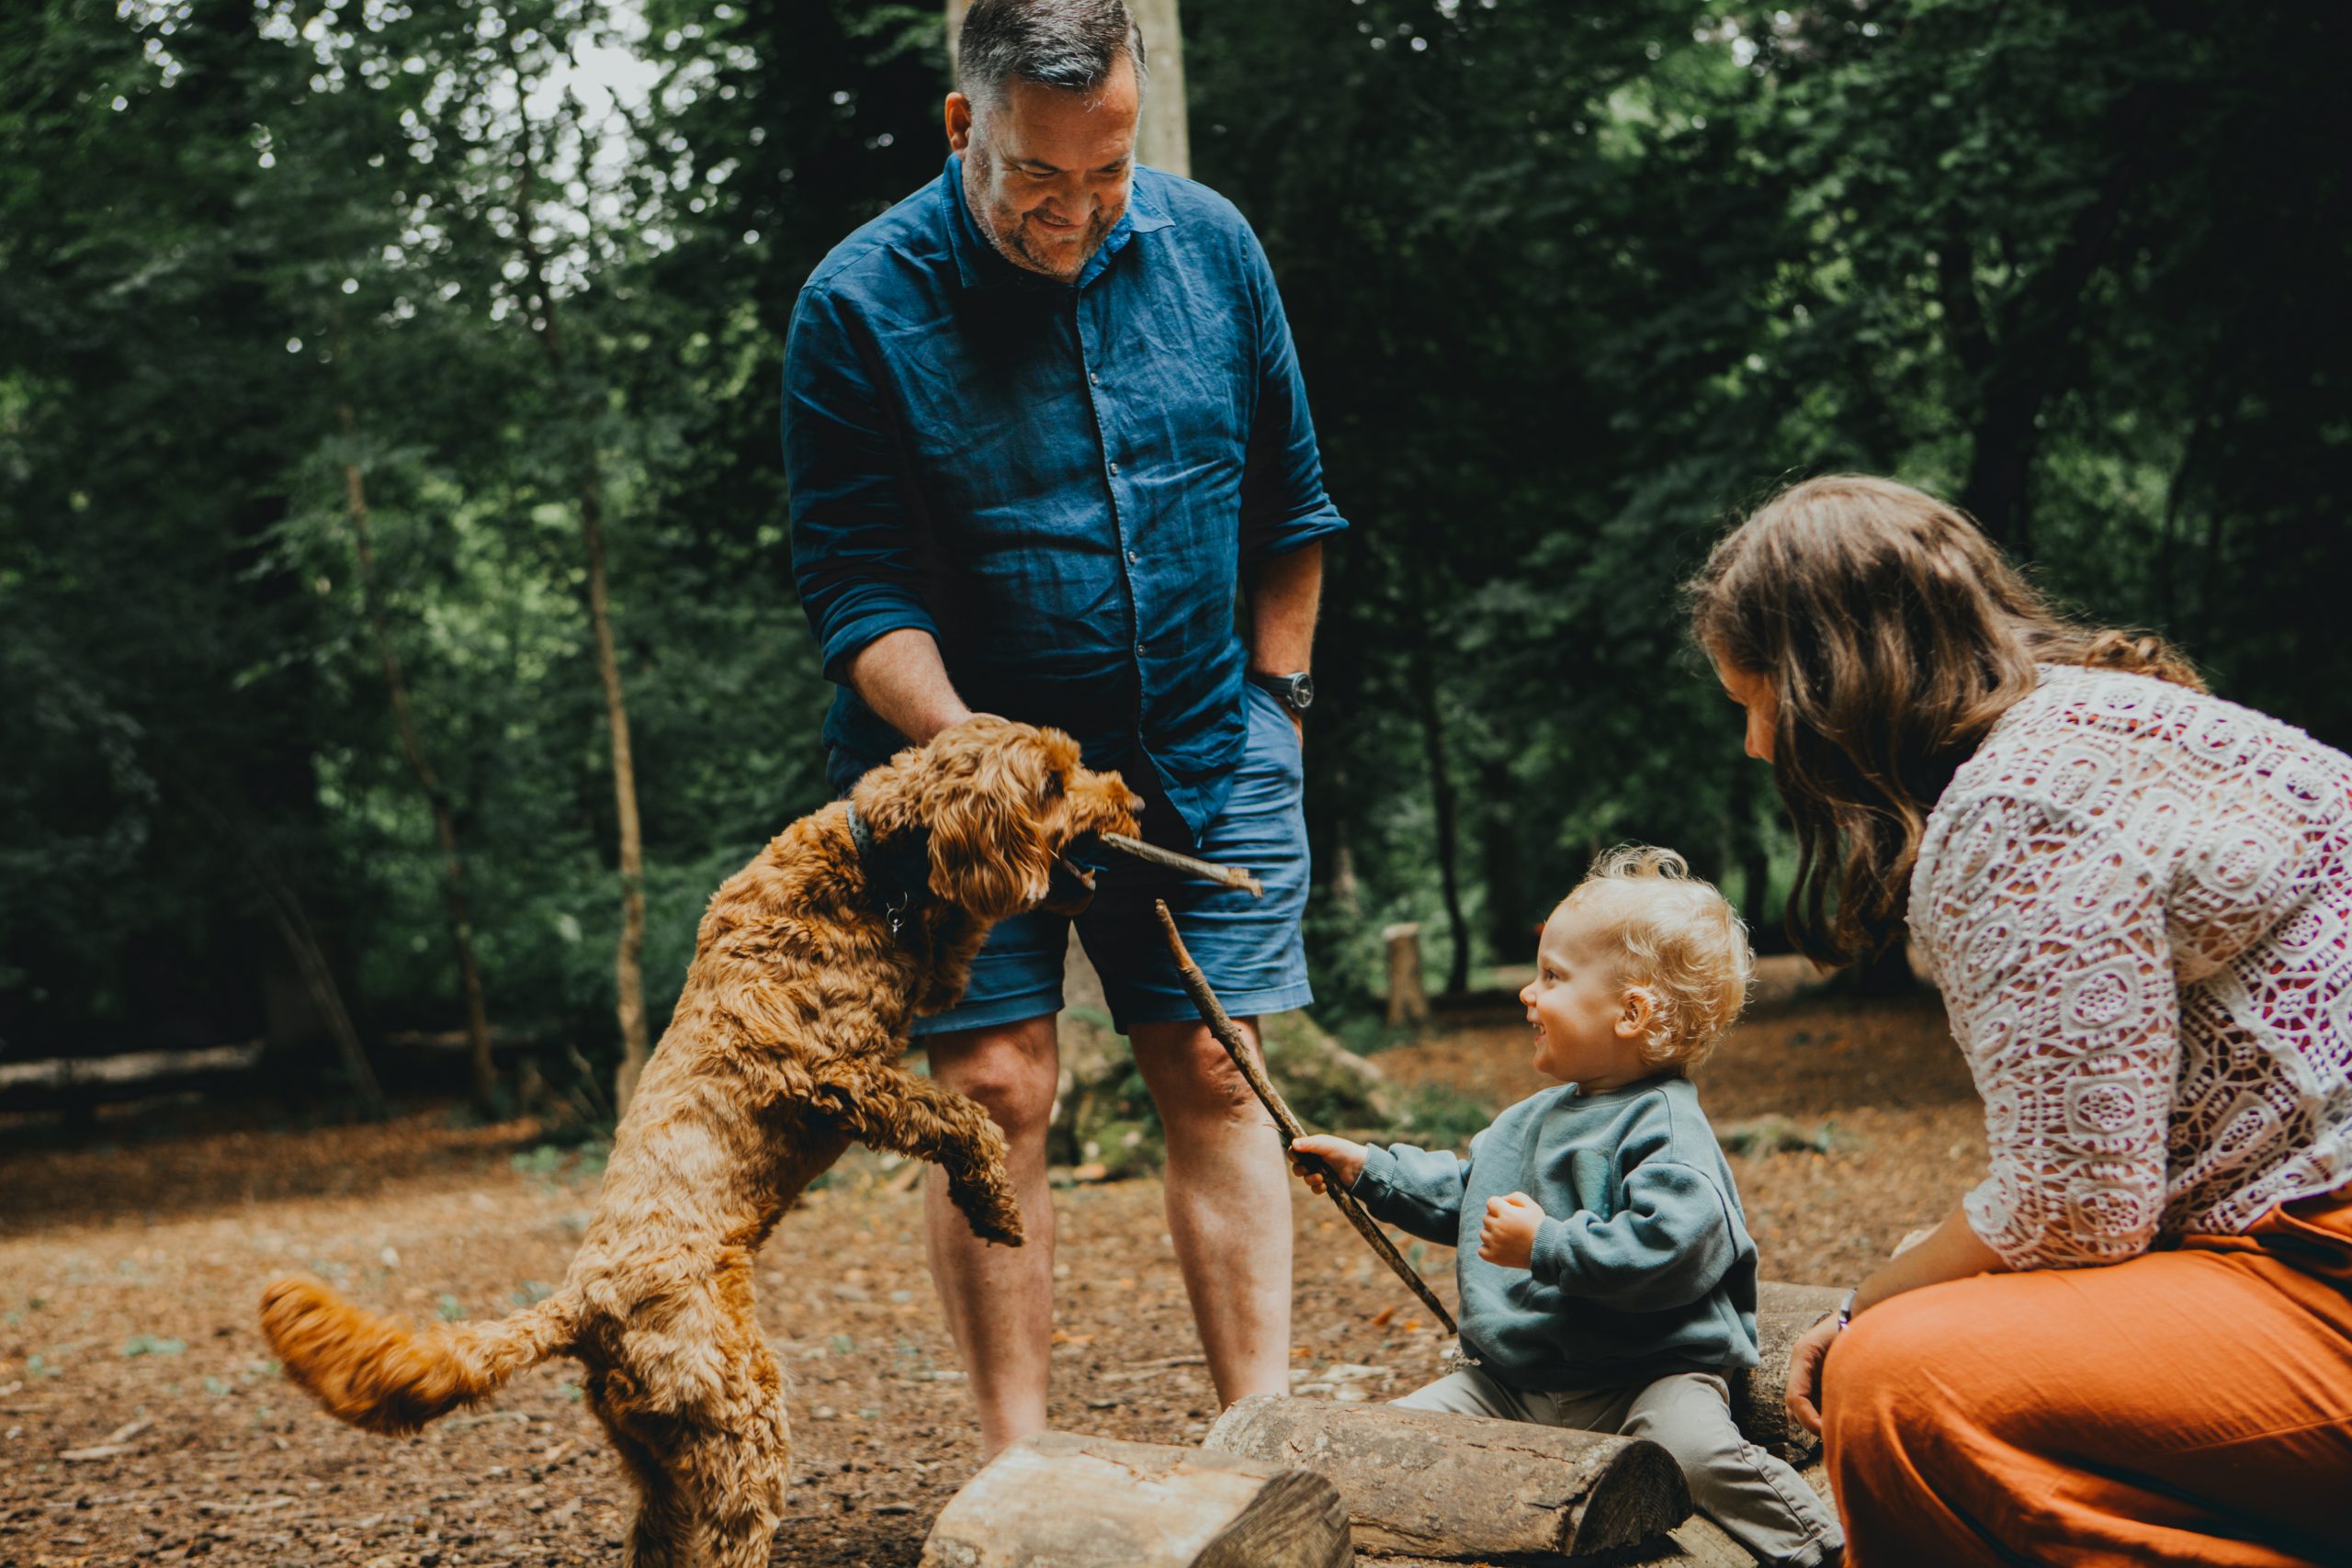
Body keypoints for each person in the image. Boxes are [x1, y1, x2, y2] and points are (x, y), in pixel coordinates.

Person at [782, 0, 1345, 1457]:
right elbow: (856, 591)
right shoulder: (856, 305)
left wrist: (1279, 710)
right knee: (991, 1083)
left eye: (1112, 173)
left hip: (1208, 757)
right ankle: (1020, 1464)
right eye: (1046, 179)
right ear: (964, 126)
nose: (1085, 213)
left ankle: (1263, 1439)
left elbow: (1291, 512)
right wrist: (978, 753)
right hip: (964, 780)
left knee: (1217, 1069)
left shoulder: (1214, 247)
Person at [1690, 474, 2352, 1566]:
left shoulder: (2017, 807)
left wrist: (1861, 1305)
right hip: (2295, 1246)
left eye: (1751, 704)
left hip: (2322, 1272)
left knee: (1899, 1380)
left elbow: (2076, 1213)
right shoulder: (2111, 717)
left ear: (1824, 688)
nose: (1756, 748)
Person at [1292, 847, 1844, 1568]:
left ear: (1631, 1011)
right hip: (1513, 1386)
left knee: (1696, 1452)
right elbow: (1471, 1196)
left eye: (1553, 976)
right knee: (1387, 1438)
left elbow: (1671, 1251)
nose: (1528, 992)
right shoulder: (1533, 1118)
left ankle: (1827, 1540)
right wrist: (1369, 1169)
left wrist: (1547, 1243)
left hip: (1648, 1376)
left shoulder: (1666, 1128)